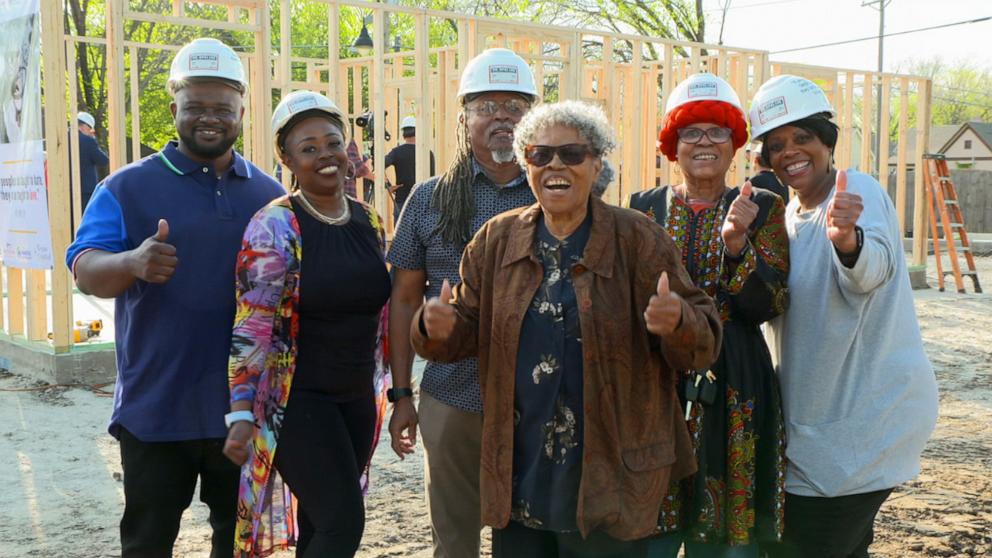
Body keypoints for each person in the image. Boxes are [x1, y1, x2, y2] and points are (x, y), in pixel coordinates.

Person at [410, 100, 721, 557]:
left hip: (609, 479)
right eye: (540, 154)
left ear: (596, 164)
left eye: (572, 154)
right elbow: (466, 329)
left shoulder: (639, 239)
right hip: (520, 473)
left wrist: (678, 322)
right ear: (526, 164)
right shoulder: (496, 241)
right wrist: (434, 327)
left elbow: (704, 343)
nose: (555, 164)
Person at [64, 38, 283, 558]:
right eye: (196, 107)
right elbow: (84, 270)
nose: (210, 118)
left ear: (240, 112)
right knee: (147, 543)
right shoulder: (126, 188)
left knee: (240, 544)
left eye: (222, 108)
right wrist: (130, 263)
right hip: (156, 410)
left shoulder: (270, 194)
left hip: (244, 410)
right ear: (173, 110)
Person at [750, 74, 938, 558]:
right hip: (817, 427)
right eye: (776, 145)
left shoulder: (858, 192)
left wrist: (847, 241)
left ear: (827, 140)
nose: (791, 152)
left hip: (862, 421)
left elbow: (871, 270)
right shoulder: (786, 217)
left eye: (803, 138)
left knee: (808, 546)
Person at [626, 73, 789, 558]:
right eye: (690, 132)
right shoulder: (642, 209)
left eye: (717, 131)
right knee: (652, 529)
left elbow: (772, 304)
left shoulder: (763, 206)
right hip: (657, 376)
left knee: (726, 540)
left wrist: (737, 247)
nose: (704, 142)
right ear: (671, 145)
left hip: (736, 372)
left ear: (735, 143)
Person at [223, 90, 391, 558]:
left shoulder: (369, 222)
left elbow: (380, 315)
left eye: (333, 143)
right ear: (287, 158)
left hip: (357, 398)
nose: (326, 156)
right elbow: (251, 324)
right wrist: (239, 409)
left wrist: (401, 394)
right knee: (343, 523)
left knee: (320, 524)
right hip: (297, 401)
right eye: (309, 148)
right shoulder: (274, 226)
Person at [386, 47, 539, 558]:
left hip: (536, 399)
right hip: (454, 395)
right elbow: (404, 300)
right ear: (464, 117)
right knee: (454, 538)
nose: (501, 116)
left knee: (528, 535)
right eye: (486, 105)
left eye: (515, 106)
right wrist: (402, 394)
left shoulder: (555, 196)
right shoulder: (429, 199)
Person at [384, 115, 435, 223]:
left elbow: (379, 165)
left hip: (402, 200)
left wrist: (388, 186)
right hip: (423, 201)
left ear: (403, 134)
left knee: (400, 237)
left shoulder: (396, 152)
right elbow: (433, 179)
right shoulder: (427, 153)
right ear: (417, 131)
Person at [75, 111, 110, 211]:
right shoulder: (88, 141)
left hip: (66, 188)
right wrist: (94, 140)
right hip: (85, 189)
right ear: (84, 126)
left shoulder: (63, 139)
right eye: (90, 128)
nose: (91, 131)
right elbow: (103, 160)